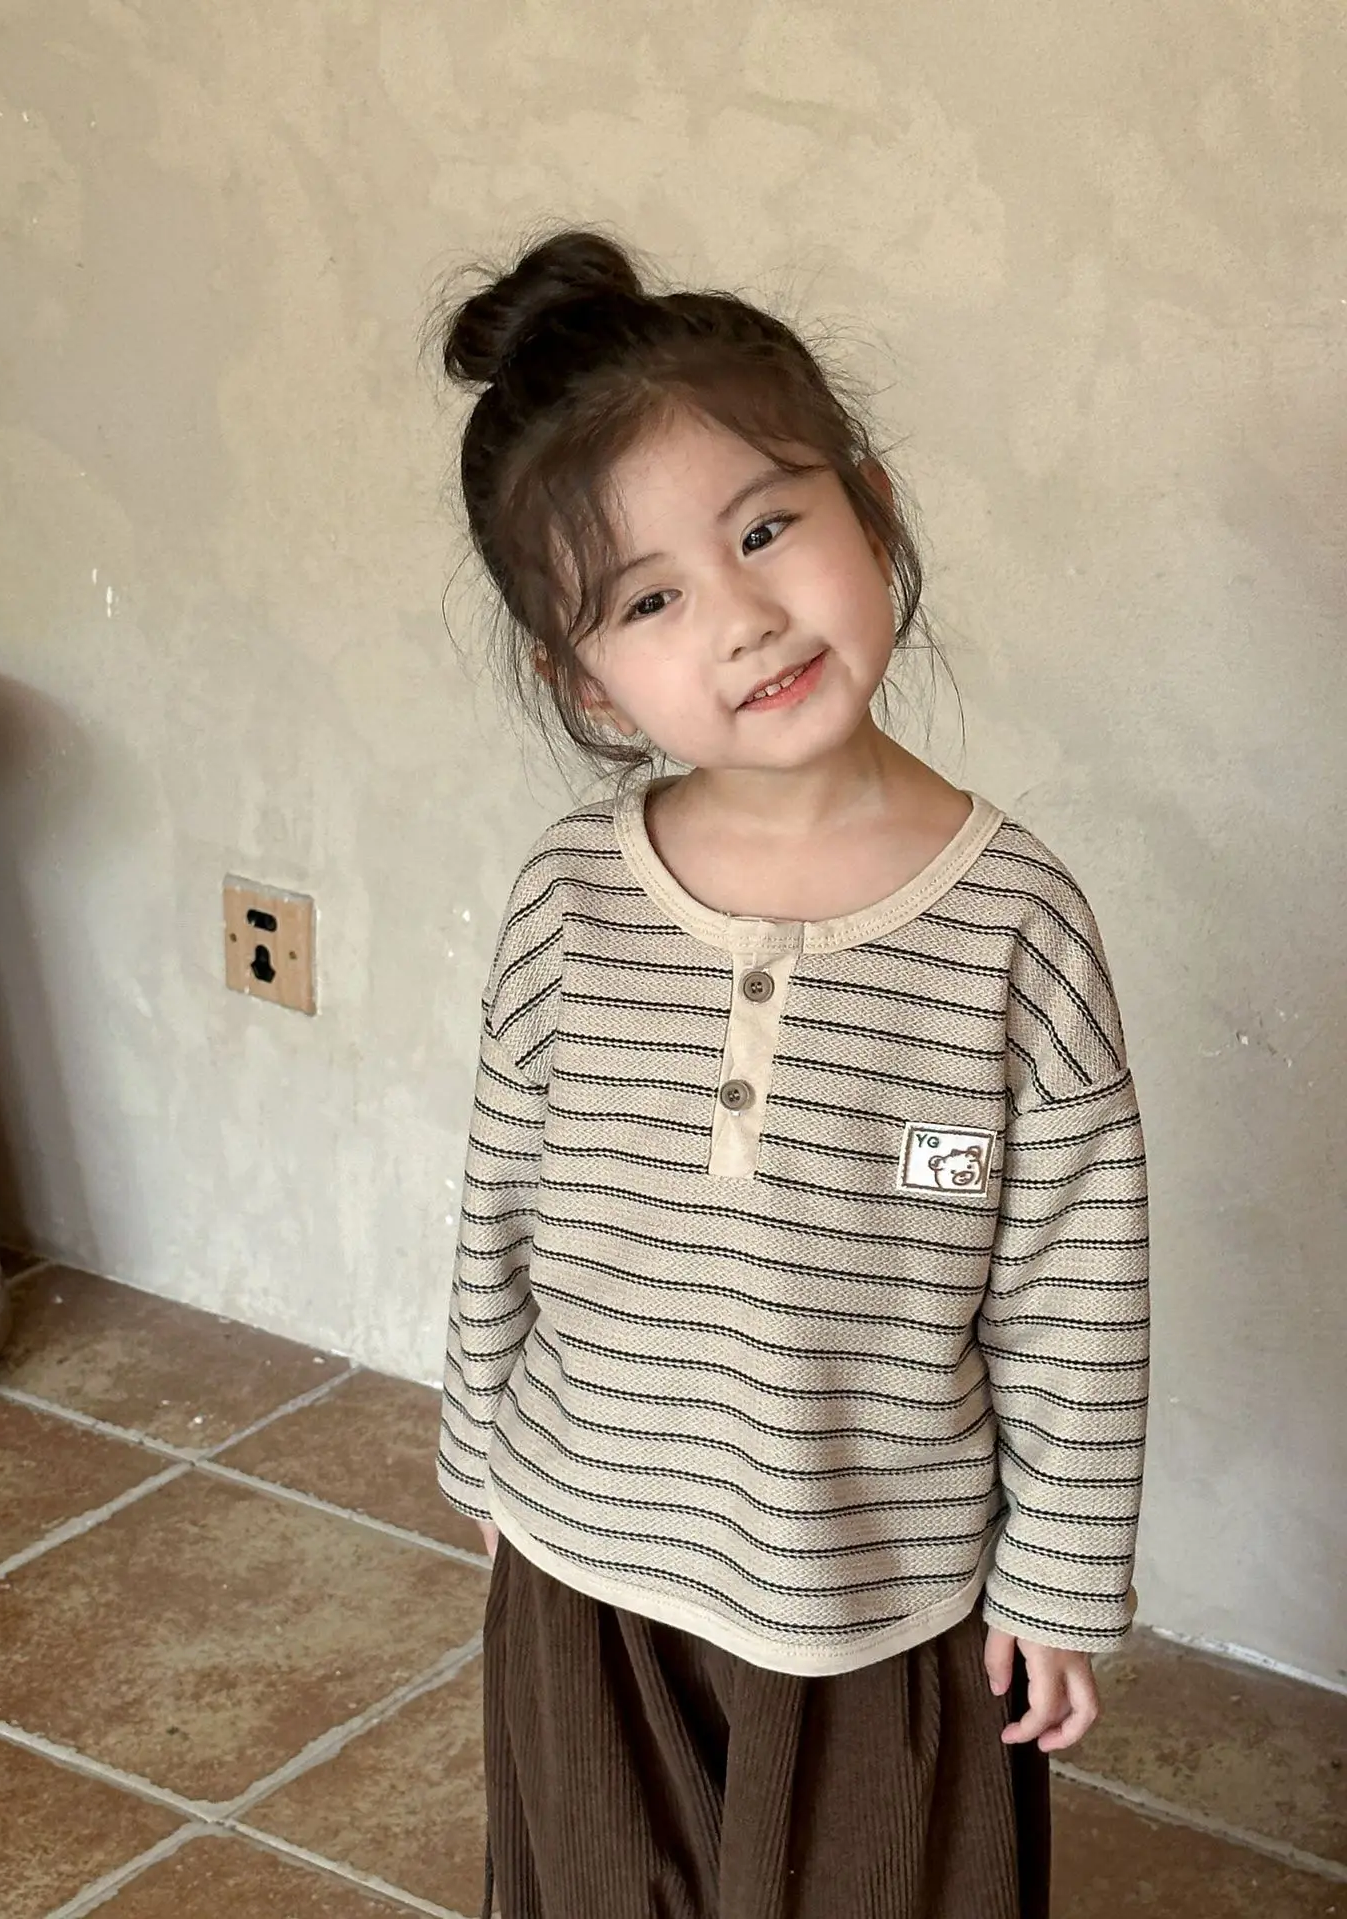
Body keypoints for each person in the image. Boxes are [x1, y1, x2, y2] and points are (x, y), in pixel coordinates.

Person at [432, 228, 1150, 1919]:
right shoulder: (569, 899)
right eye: (651, 599)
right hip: (589, 1562)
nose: (745, 618)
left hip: (876, 1593)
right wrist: (485, 1465)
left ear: (870, 507)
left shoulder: (1014, 922)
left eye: (766, 529)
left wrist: (1057, 1575)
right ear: (584, 680)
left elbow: (1076, 1282)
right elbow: (503, 1199)